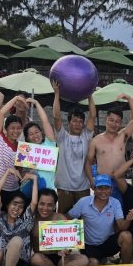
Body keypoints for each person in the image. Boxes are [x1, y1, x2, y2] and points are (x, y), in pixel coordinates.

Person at [85, 92, 133, 203]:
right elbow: (88, 162)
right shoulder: (95, 140)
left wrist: (129, 99)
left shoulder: (123, 136)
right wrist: (91, 180)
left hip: (120, 181)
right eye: (111, 120)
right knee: (102, 210)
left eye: (117, 122)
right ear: (106, 119)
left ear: (120, 123)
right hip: (103, 182)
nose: (114, 124)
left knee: (120, 209)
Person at [67, 174, 133, 265]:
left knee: (127, 236)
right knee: (94, 263)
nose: (103, 191)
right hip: (89, 245)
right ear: (94, 189)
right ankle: (101, 259)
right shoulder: (83, 202)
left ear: (111, 189)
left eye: (107, 188)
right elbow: (67, 218)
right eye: (100, 188)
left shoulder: (115, 202)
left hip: (107, 242)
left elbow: (122, 227)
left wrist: (128, 219)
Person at [52, 80, 96, 213]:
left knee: (83, 217)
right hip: (64, 186)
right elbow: (56, 116)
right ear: (69, 123)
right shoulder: (62, 136)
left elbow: (92, 116)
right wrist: (57, 94)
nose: (78, 124)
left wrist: (89, 95)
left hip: (83, 187)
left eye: (80, 122)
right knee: (63, 218)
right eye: (74, 121)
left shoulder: (86, 136)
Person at [0, 168, 39, 266]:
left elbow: (34, 203)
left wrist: (34, 179)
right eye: (14, 204)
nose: (17, 208)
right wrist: (7, 172)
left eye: (20, 206)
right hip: (0, 264)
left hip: (20, 265)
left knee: (17, 241)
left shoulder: (25, 222)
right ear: (8, 205)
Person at [30, 189, 90, 266]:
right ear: (37, 204)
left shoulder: (61, 218)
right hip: (42, 257)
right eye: (42, 204)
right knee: (35, 259)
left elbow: (70, 245)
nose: (45, 208)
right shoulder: (32, 220)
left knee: (84, 259)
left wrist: (67, 250)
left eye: (49, 205)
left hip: (61, 257)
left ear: (54, 206)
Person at [0, 95, 28, 204]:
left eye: (19, 128)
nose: (16, 131)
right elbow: (1, 113)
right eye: (12, 128)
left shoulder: (22, 148)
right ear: (6, 129)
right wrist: (16, 98)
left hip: (13, 189)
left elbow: (19, 170)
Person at [22, 96, 57, 191]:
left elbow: (45, 122)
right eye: (31, 134)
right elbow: (23, 174)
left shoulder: (49, 144)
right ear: (27, 138)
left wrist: (36, 103)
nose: (35, 135)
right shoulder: (26, 152)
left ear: (41, 132)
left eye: (37, 132)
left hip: (51, 190)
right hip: (34, 191)